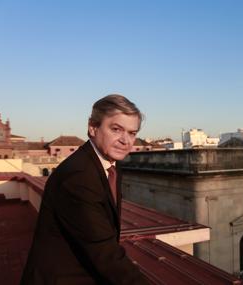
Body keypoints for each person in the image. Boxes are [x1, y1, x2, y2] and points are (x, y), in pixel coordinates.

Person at [21, 95, 150, 284]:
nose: (126, 140)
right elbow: (104, 252)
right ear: (93, 127)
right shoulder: (78, 177)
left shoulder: (109, 163)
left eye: (132, 133)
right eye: (116, 129)